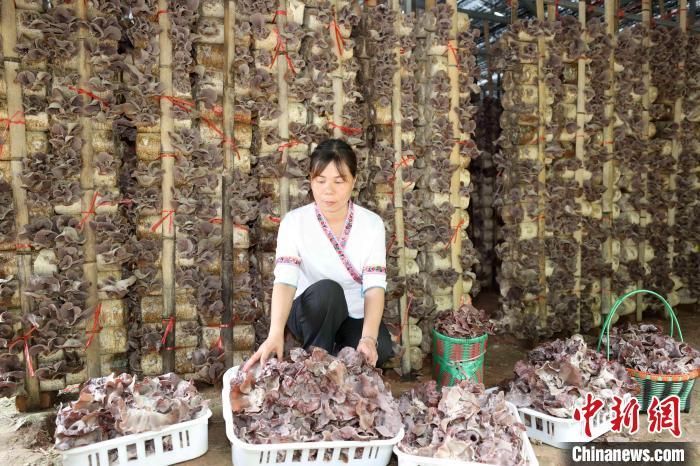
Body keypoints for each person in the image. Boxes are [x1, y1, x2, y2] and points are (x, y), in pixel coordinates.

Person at [242, 139, 394, 371]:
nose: (328, 190)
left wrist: (368, 339)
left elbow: (374, 287)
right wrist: (274, 334)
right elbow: (285, 280)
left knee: (381, 349)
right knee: (328, 292)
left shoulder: (371, 224)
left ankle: (335, 354)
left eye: (339, 181)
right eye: (320, 180)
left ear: (353, 181)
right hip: (312, 308)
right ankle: (316, 363)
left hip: (352, 310)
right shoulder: (294, 222)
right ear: (311, 181)